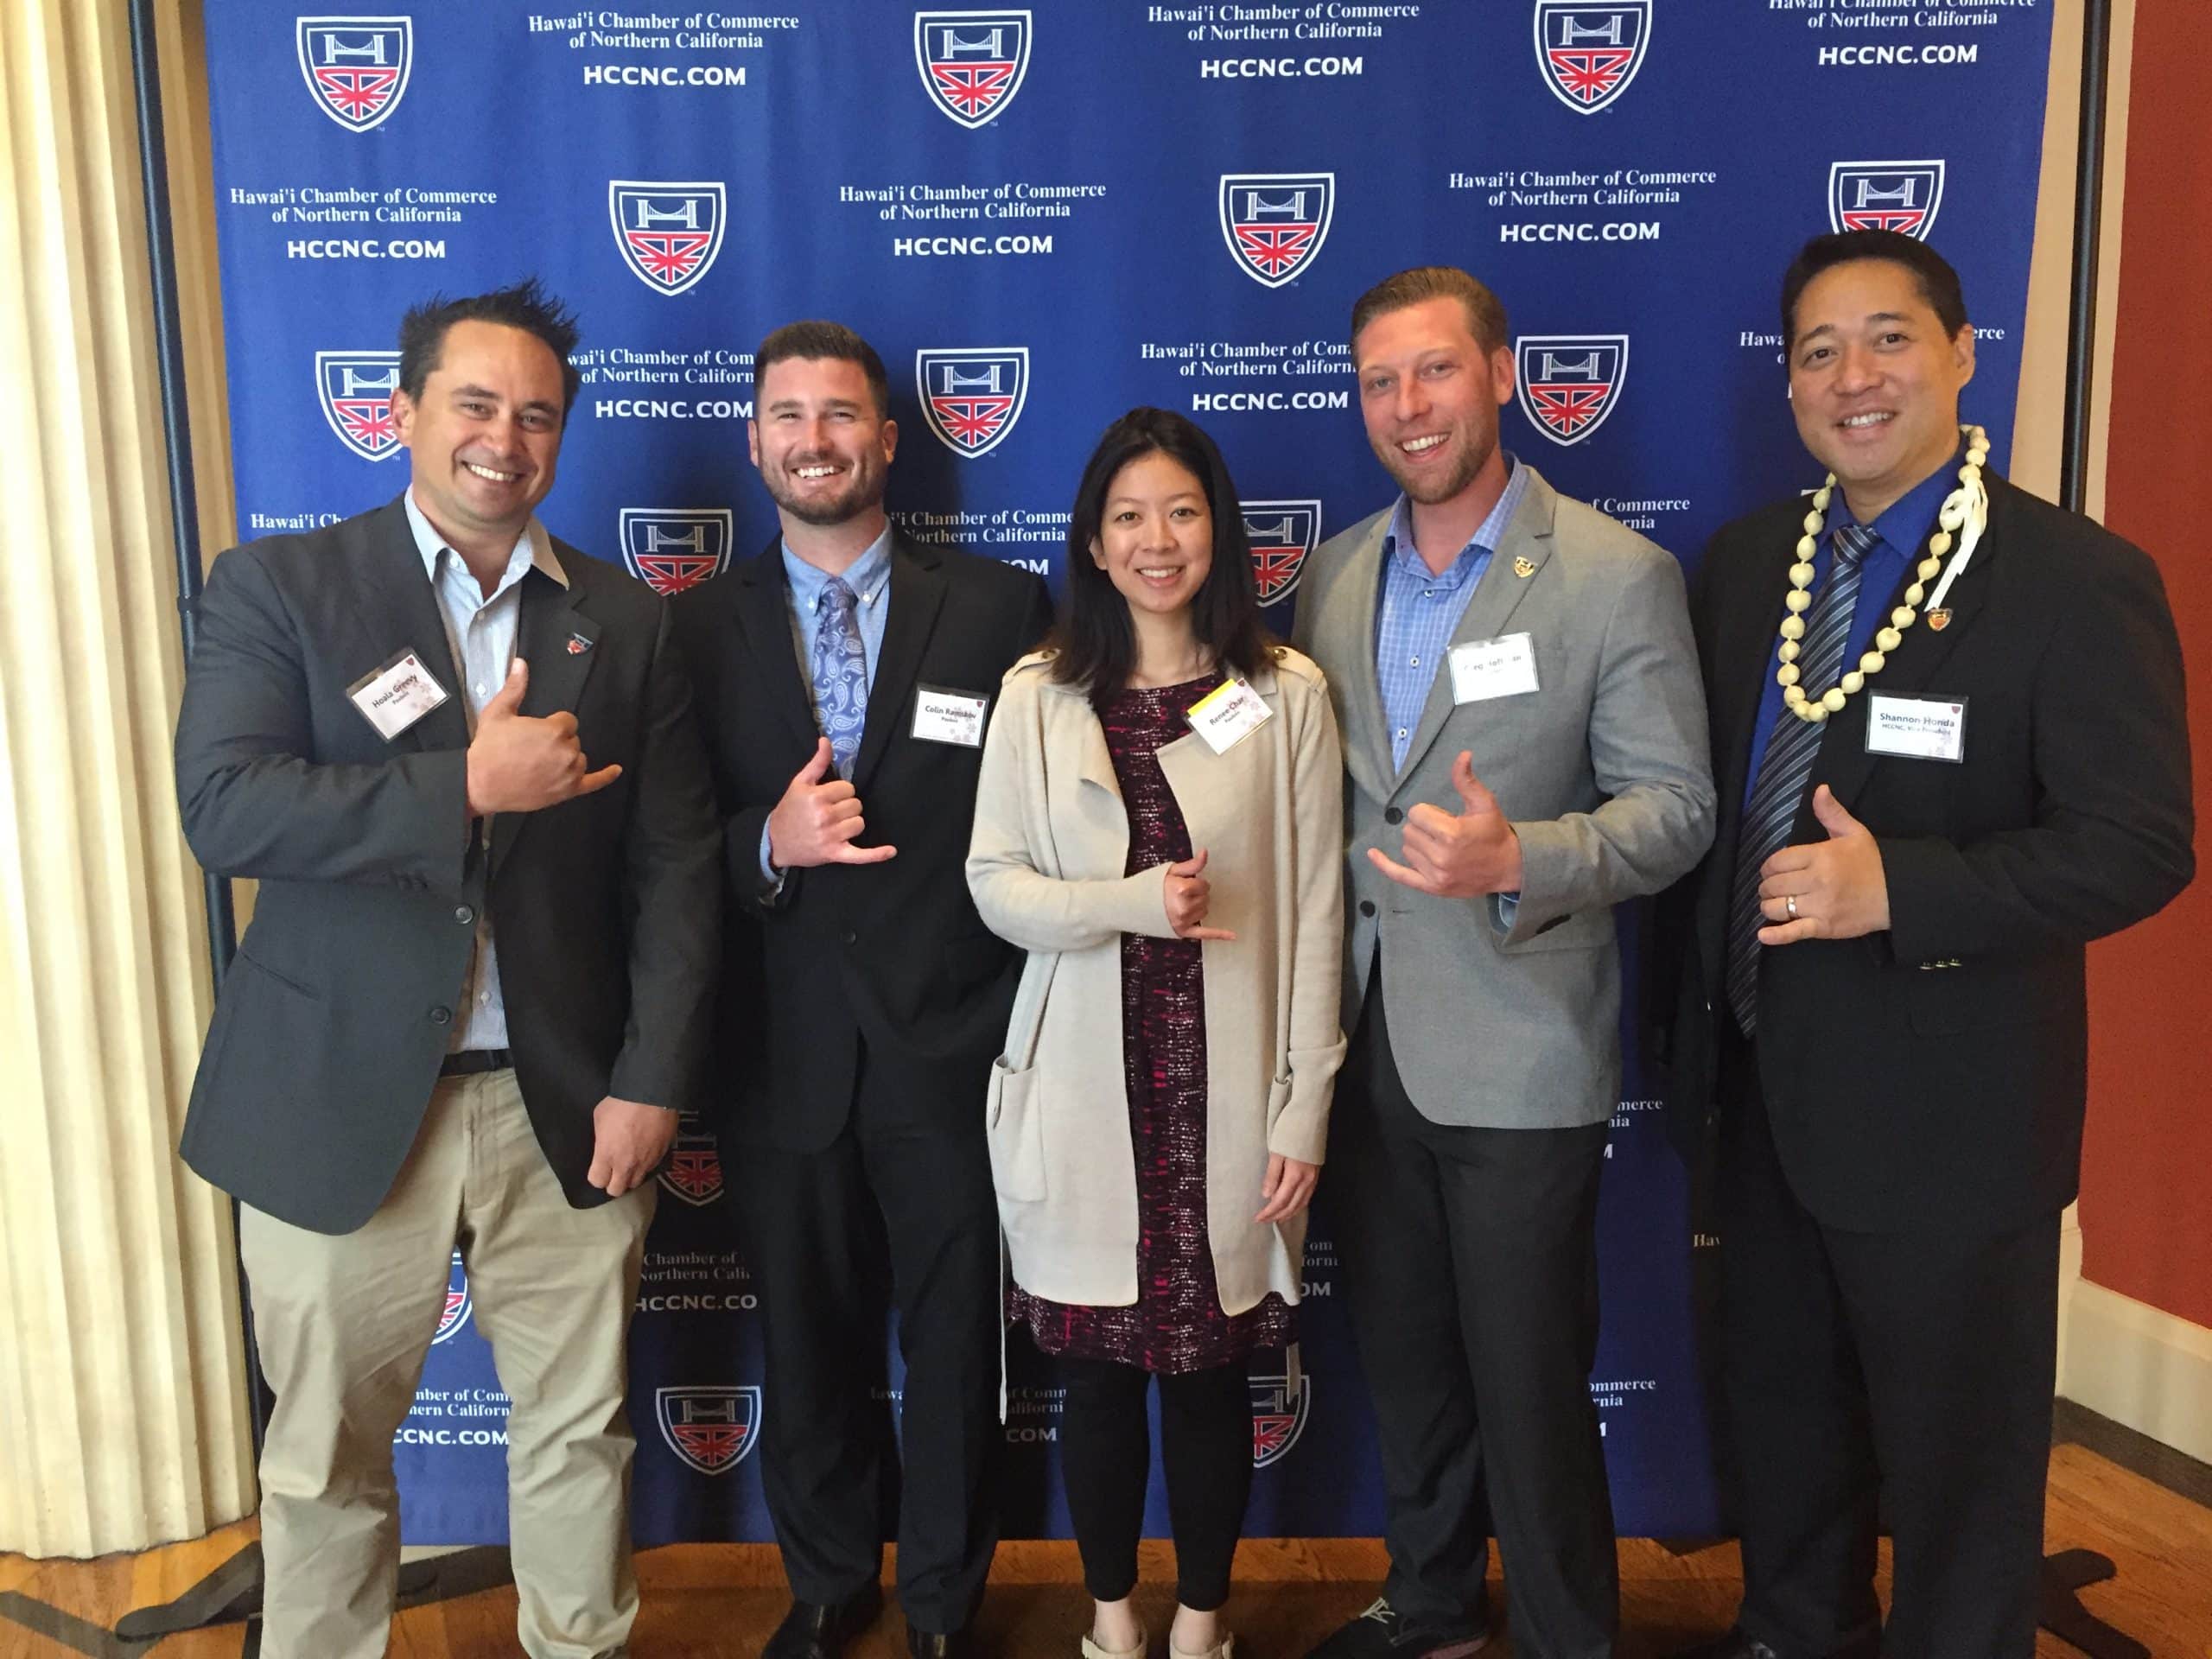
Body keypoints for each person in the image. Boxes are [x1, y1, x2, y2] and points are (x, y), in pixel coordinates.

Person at [1656, 229, 2194, 1659]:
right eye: (1820, 351)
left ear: (1963, 355)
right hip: (1764, 1098)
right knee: (1784, 1424)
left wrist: (1906, 887)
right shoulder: (1749, 564)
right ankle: (1792, 1630)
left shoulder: (2076, 579)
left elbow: (2140, 845)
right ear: (1790, 387)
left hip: (1954, 1121)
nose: (1854, 376)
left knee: (1959, 1481)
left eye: (1889, 338)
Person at [173, 278, 721, 1659]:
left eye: (537, 415)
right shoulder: (281, 585)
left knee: (579, 1439)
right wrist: (458, 786)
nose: (505, 438)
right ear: (405, 411)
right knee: (321, 1463)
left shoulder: (620, 617)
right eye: (474, 404)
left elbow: (672, 873)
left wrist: (653, 1078)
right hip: (338, 1103)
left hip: (562, 1106)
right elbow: (225, 810)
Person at [1291, 265, 1716, 1659]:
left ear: (1503, 376)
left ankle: (1562, 1632)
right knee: (1408, 1365)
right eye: (1379, 383)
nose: (1408, 408)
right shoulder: (1339, 574)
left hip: (1524, 1050)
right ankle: (1430, 1605)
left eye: (1434, 372)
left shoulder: (1613, 574)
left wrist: (1520, 856)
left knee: (1529, 1381)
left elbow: (1676, 810)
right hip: (1368, 1048)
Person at [669, 321, 1053, 1659]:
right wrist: (766, 845)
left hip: (953, 1049)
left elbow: (1053, 822)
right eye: (788, 414)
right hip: (780, 1055)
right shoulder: (696, 630)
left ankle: (947, 1602)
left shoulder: (1001, 608)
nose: (815, 438)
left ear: (888, 440)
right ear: (757, 438)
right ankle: (832, 1583)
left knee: (955, 1353)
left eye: (842, 414)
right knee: (810, 1346)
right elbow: (666, 851)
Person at [966, 408, 1347, 1659]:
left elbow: (1315, 915)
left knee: (1204, 1372)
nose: (1156, 538)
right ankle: (1112, 1619)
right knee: (1098, 1376)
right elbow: (995, 884)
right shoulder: (1037, 692)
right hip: (1085, 1084)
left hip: (1221, 1091)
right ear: (1091, 539)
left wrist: (1302, 1108)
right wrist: (1129, 906)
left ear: (1219, 531)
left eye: (1181, 511)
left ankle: (1200, 1623)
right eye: (1128, 515)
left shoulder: (1282, 695)